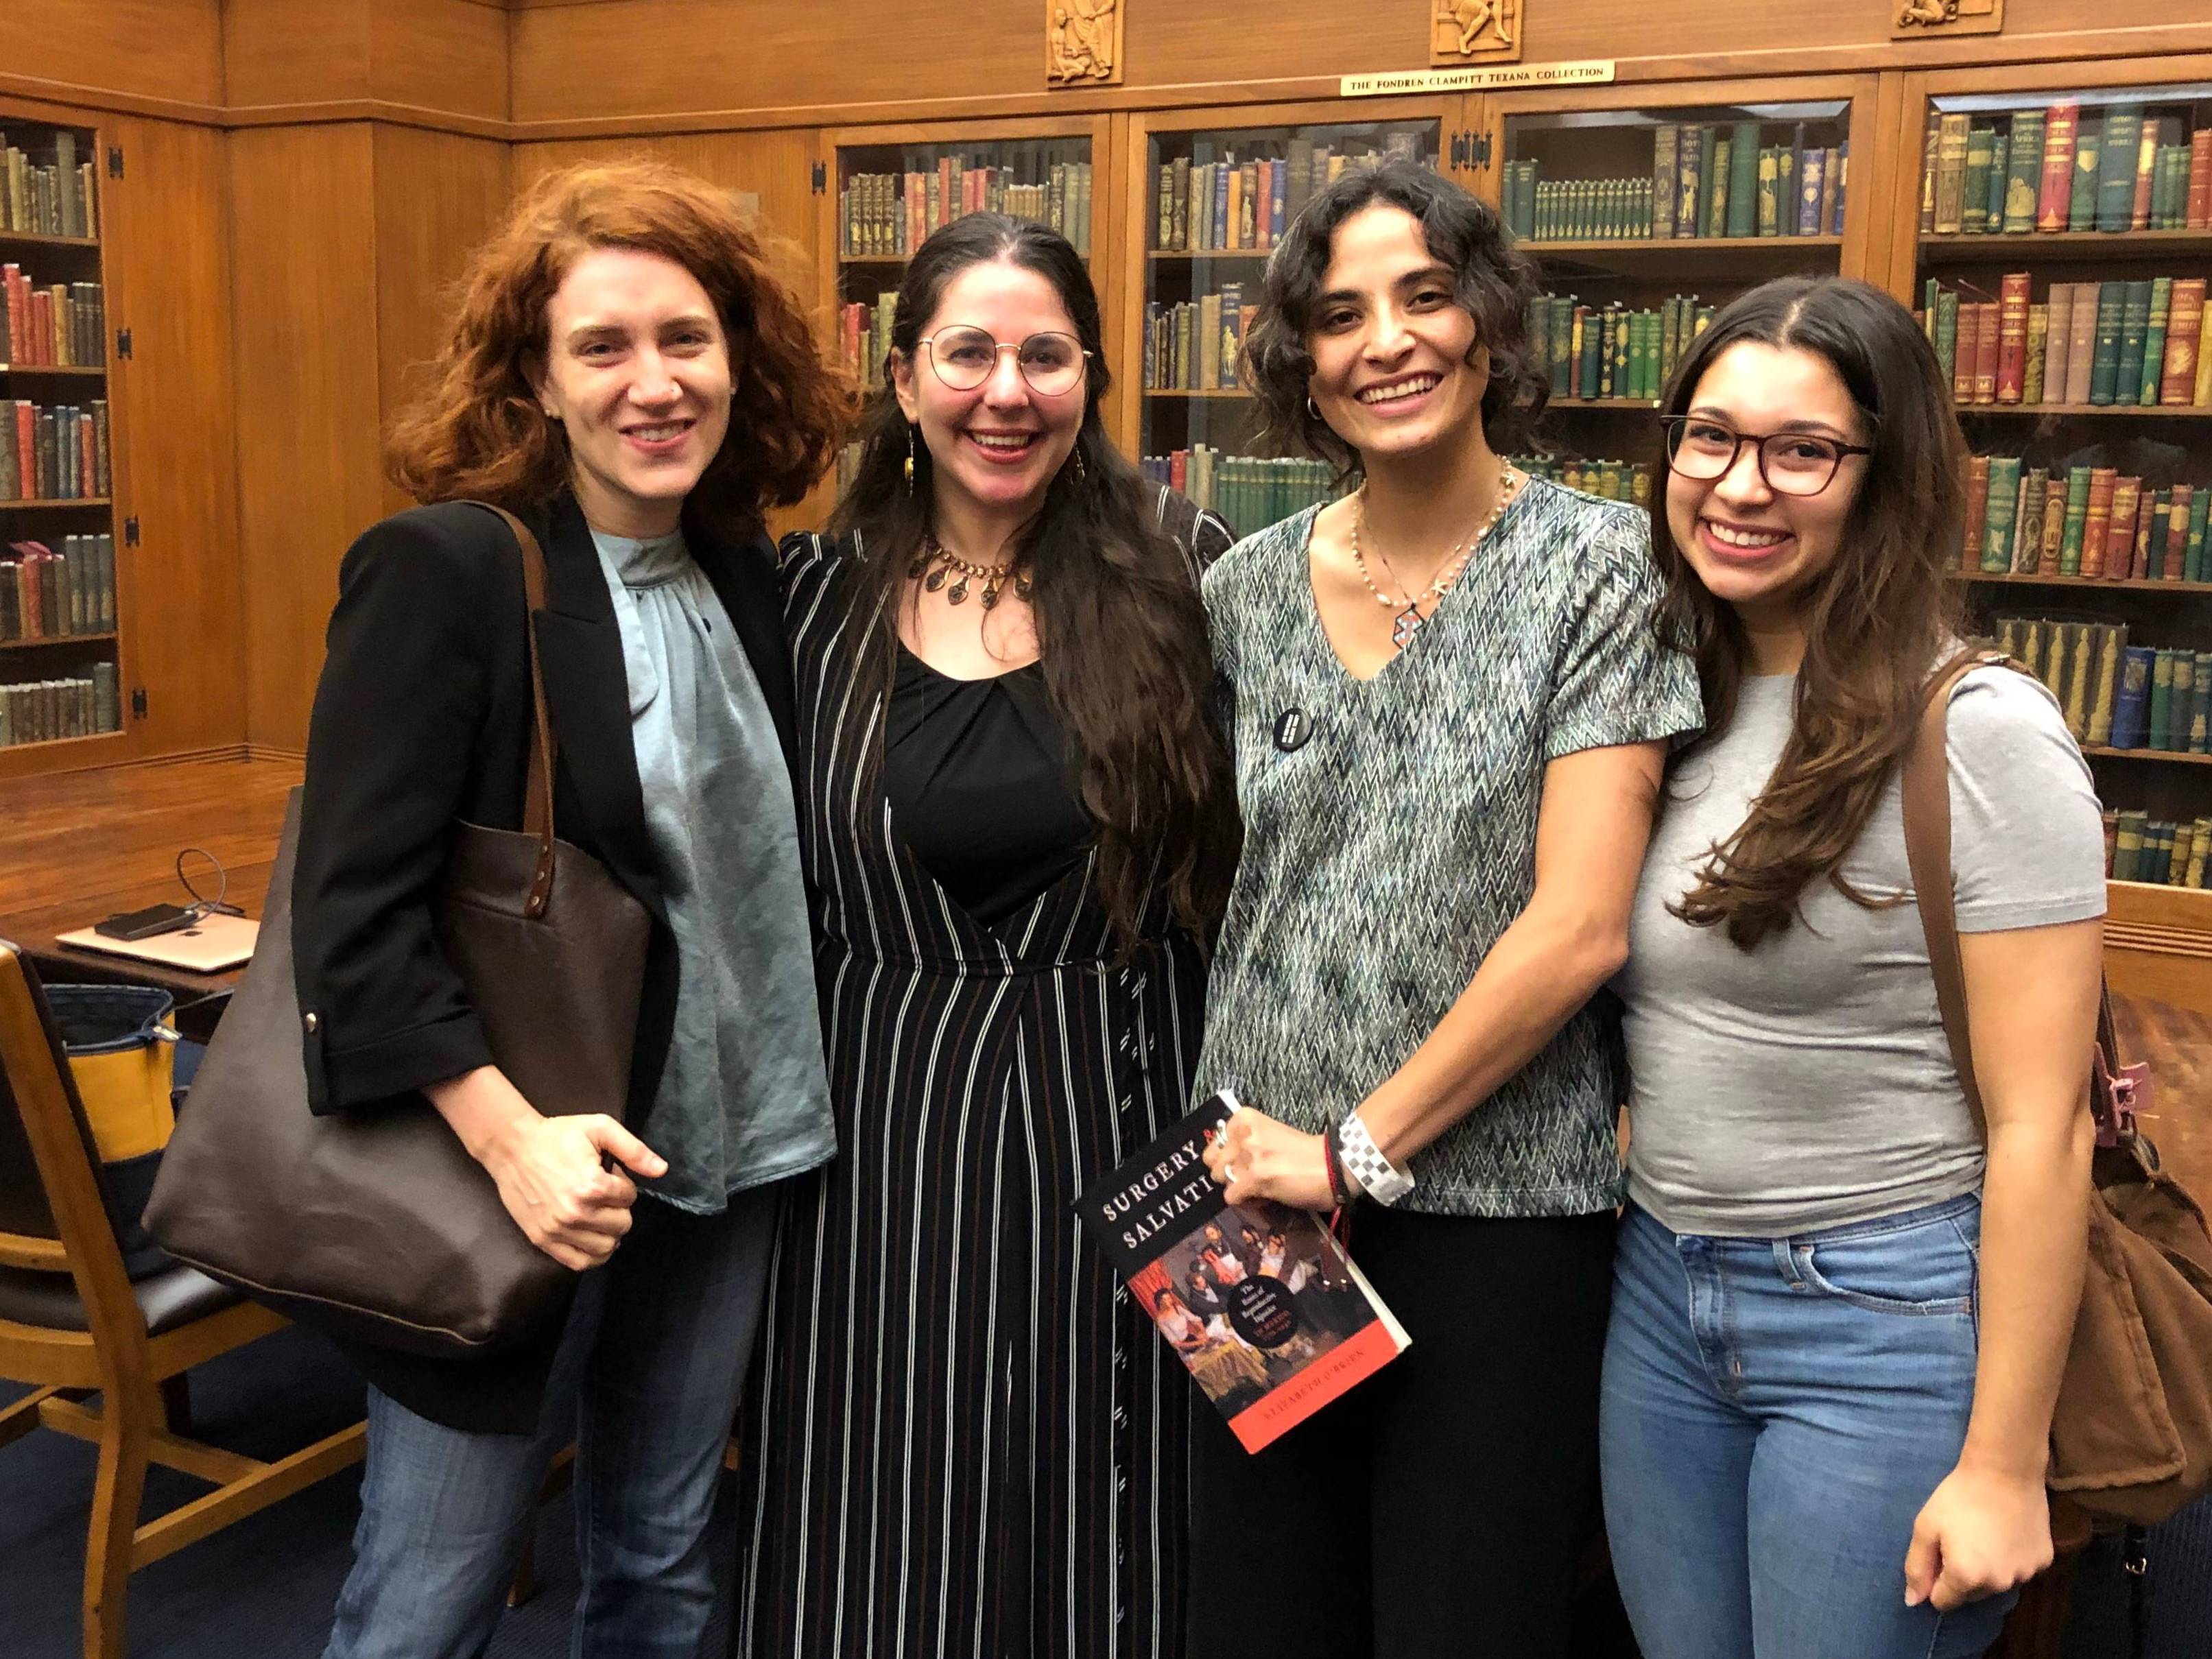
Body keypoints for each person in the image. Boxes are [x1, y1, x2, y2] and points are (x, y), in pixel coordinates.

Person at [293, 159, 849, 1659]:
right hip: (522, 1173)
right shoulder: (451, 569)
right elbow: (349, 925)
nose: (651, 382)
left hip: (726, 1156)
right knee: (430, 1599)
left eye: (686, 339)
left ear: (740, 358)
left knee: (663, 1564)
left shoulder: (742, 569)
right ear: (534, 378)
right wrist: (510, 1141)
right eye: (601, 347)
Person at [1192, 157, 1702, 1658]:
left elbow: (1578, 924)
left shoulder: (1600, 570)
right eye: (1339, 315)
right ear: (1304, 362)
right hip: (1256, 1213)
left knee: (1463, 1616)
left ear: (1486, 324)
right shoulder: (1243, 586)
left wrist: (1354, 1145)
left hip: (1496, 1218)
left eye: (1422, 296)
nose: (1385, 342)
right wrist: (1270, 1151)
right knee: (1261, 1613)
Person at [734, 212, 1239, 1659]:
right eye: (966, 352)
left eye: (1042, 355)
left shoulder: (1189, 573)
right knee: (875, 1498)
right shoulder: (805, 598)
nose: (1002, 392)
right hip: (876, 1124)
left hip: (1136, 1101)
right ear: (901, 381)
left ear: (1089, 377)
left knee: (1122, 1497)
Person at [1601, 275, 2105, 1659]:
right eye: (1706, 438)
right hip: (1658, 1296)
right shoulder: (1657, 699)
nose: (1737, 486)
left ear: (1887, 475)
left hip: (1881, 1320)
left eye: (1799, 450)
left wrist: (2001, 1462)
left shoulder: (1979, 730)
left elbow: (2039, 1126)